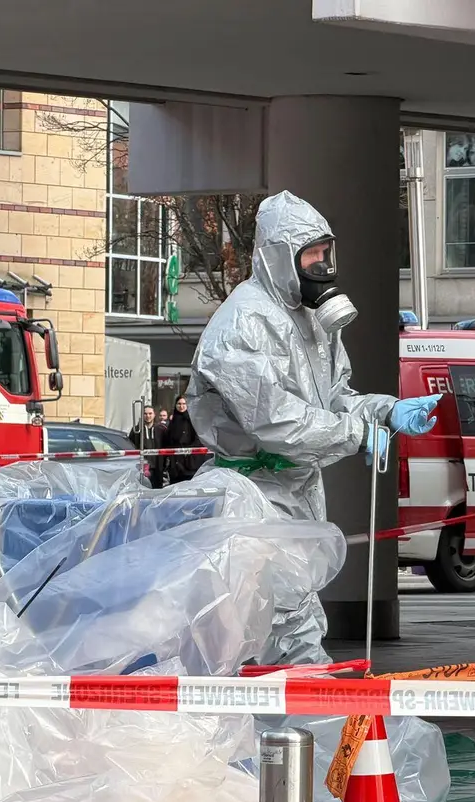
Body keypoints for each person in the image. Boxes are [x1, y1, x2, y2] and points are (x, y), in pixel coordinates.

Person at [187, 191, 441, 665]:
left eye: (326, 253)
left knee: (287, 614)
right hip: (251, 495)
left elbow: (334, 398)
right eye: (312, 255)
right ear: (279, 256)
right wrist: (357, 433)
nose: (323, 266)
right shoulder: (243, 323)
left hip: (295, 490)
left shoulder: (312, 323)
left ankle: (289, 708)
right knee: (281, 621)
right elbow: (276, 421)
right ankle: (304, 707)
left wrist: (386, 411)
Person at [161, 396, 206, 484]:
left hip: (191, 461)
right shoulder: (173, 422)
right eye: (179, 404)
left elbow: (198, 439)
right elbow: (169, 440)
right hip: (176, 462)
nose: (181, 406)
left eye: (184, 404)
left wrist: (189, 452)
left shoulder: (193, 420)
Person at [128, 404, 164, 486]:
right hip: (142, 467)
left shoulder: (161, 429)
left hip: (157, 467)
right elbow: (131, 445)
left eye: (150, 413)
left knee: (157, 489)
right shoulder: (136, 430)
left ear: (154, 414)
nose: (148, 416)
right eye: (145, 414)